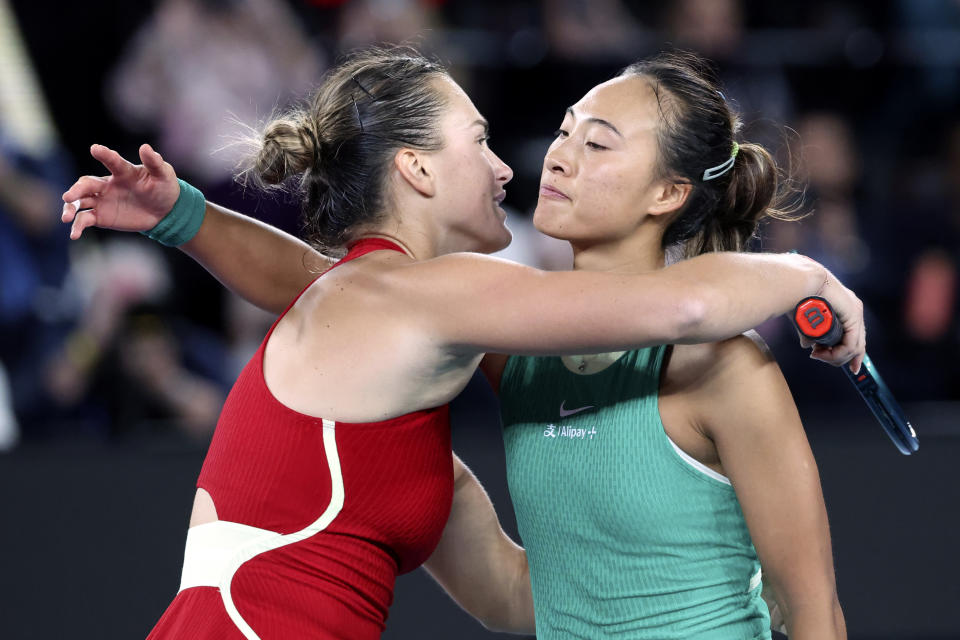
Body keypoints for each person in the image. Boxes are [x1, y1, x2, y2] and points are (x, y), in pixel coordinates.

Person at [62, 48, 863, 639]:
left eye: (599, 141)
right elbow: (686, 304)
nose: (534, 160)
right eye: (555, 131)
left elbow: (525, 595)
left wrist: (186, 218)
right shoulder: (445, 313)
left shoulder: (398, 323)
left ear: (668, 192)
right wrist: (810, 275)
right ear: (414, 169)